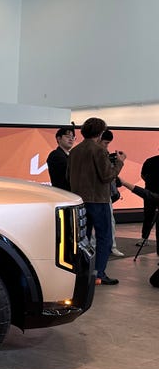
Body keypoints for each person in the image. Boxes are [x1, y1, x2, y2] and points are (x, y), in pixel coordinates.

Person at [67, 117, 125, 285]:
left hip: (79, 200)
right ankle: (98, 274)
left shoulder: (75, 151)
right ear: (100, 133)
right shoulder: (99, 150)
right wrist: (119, 164)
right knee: (104, 237)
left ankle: (82, 272)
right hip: (98, 200)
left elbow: (67, 176)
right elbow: (107, 176)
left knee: (82, 239)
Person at [100, 129, 124, 257]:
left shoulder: (104, 153)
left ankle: (111, 246)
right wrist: (119, 163)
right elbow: (106, 176)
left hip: (105, 194)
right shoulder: (95, 153)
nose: (106, 146)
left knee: (110, 221)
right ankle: (104, 247)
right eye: (105, 143)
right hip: (96, 195)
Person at [139, 151, 159, 249]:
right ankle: (144, 238)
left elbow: (143, 176)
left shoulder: (149, 161)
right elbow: (143, 175)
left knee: (148, 215)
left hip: (149, 192)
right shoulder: (150, 161)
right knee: (148, 215)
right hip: (150, 193)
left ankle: (144, 238)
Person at [47, 126, 75, 191]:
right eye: (68, 137)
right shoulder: (55, 155)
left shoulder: (72, 154)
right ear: (59, 138)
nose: (71, 139)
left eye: (73, 137)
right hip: (62, 192)